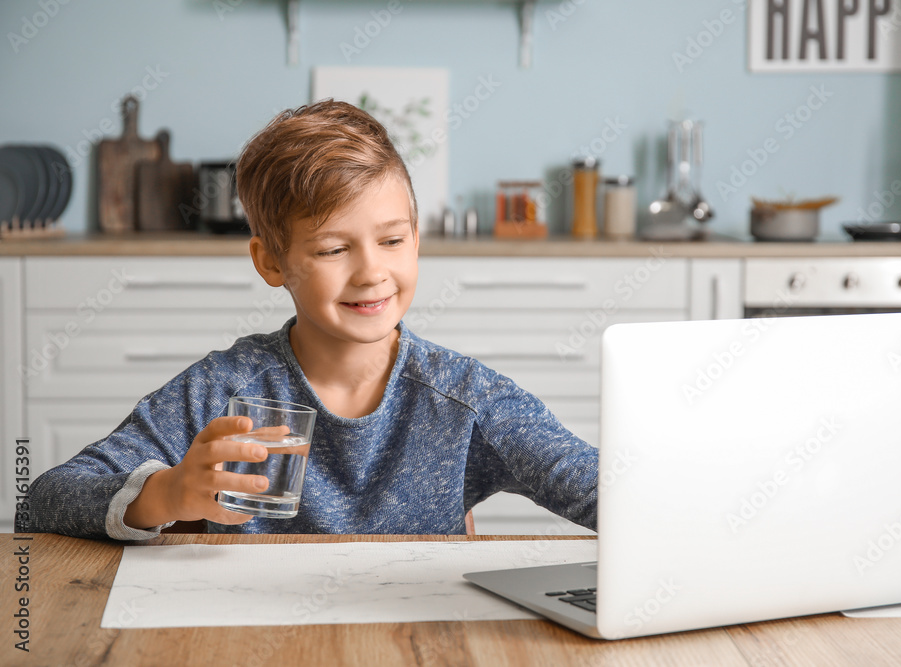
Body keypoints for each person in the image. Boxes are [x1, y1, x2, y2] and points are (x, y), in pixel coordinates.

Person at [18, 99, 598, 540]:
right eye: (331, 250)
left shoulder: (466, 399)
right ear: (272, 262)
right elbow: (44, 499)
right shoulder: (224, 389)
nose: (372, 272)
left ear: (416, 240)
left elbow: (599, 488)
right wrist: (166, 494)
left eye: (392, 240)